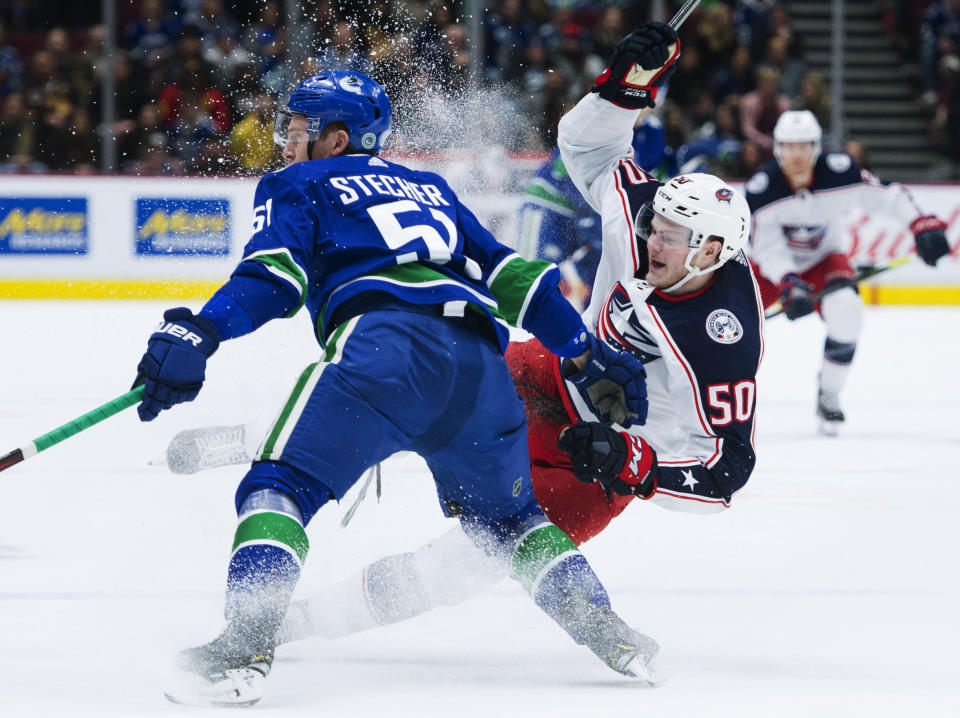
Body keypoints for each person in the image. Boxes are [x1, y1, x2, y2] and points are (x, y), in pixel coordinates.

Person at [160, 23, 764, 680]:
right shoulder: (637, 209)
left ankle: (293, 614)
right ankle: (257, 439)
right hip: (548, 370)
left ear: (712, 254)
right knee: (496, 505)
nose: (653, 241)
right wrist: (626, 87)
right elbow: (583, 155)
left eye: (675, 239)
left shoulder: (720, 339)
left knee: (461, 561)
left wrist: (634, 460)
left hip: (613, 447)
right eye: (657, 225)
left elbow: (725, 474)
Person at [745, 110, 951, 433]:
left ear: (816, 148)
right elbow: (765, 247)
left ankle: (829, 392)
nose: (796, 154)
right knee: (733, 323)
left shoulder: (840, 173)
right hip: (771, 269)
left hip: (825, 259)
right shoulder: (762, 189)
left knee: (848, 313)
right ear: (777, 149)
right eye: (789, 146)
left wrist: (921, 224)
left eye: (804, 146)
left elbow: (888, 196)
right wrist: (788, 280)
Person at [517, 111, 666, 311]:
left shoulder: (652, 132)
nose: (645, 110)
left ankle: (587, 326)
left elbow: (648, 172)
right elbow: (566, 167)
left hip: (589, 211)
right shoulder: (599, 119)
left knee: (599, 269)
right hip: (548, 206)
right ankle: (515, 332)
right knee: (533, 276)